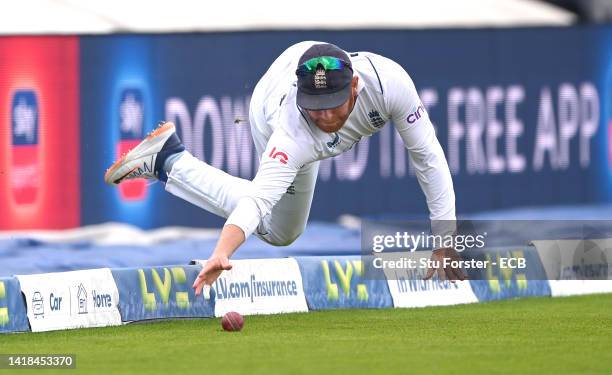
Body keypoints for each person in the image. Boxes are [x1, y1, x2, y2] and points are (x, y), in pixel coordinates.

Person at [104, 41, 464, 296]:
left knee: (285, 227)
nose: (323, 116)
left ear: (355, 87)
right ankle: (168, 161)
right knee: (280, 229)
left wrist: (445, 239)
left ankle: (168, 158)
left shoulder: (391, 84)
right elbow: (260, 198)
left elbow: (428, 157)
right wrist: (222, 252)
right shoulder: (291, 129)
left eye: (332, 104)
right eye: (314, 105)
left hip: (310, 57)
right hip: (269, 96)